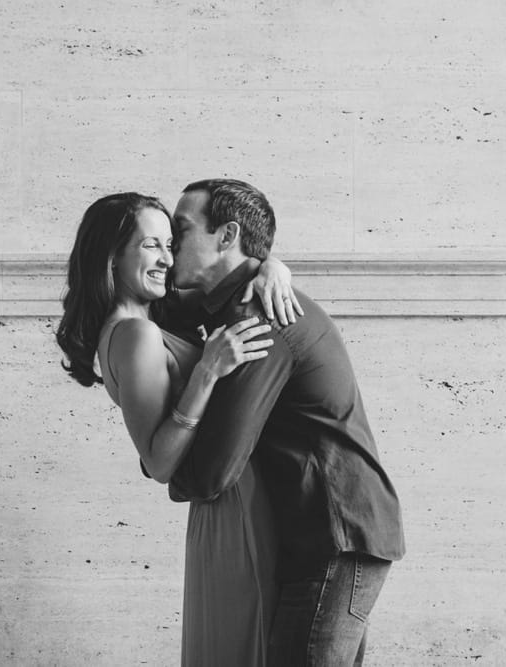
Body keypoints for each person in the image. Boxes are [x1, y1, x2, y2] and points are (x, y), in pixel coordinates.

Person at [56, 192, 301, 666]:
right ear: (112, 255)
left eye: (171, 244)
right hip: (232, 506)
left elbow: (232, 265)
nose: (168, 259)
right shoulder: (134, 334)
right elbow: (160, 460)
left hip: (236, 495)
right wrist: (207, 373)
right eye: (153, 245)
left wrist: (272, 265)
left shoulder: (150, 317)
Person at [167, 179, 406, 666]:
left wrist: (172, 469)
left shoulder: (260, 316)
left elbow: (213, 472)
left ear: (227, 235)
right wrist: (272, 263)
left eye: (181, 230)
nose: (170, 246)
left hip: (336, 538)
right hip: (330, 537)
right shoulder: (230, 303)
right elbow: (150, 302)